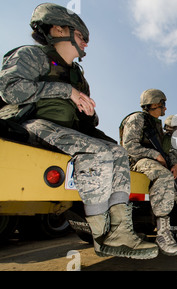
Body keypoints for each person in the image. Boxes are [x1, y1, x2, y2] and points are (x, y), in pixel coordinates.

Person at [0, 3, 157, 260]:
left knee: (116, 152)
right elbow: (10, 90)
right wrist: (65, 92)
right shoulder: (32, 55)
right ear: (60, 29)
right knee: (96, 152)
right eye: (83, 38)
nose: (86, 44)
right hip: (31, 123)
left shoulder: (77, 76)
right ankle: (100, 233)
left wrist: (88, 113)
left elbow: (86, 120)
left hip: (65, 131)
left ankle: (118, 233)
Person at [120, 89, 177, 256]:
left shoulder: (156, 125)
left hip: (157, 162)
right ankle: (163, 233)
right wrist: (155, 155)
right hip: (137, 161)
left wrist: (174, 164)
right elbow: (129, 147)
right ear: (153, 103)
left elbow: (167, 153)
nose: (165, 109)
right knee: (164, 175)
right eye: (163, 104)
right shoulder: (137, 119)